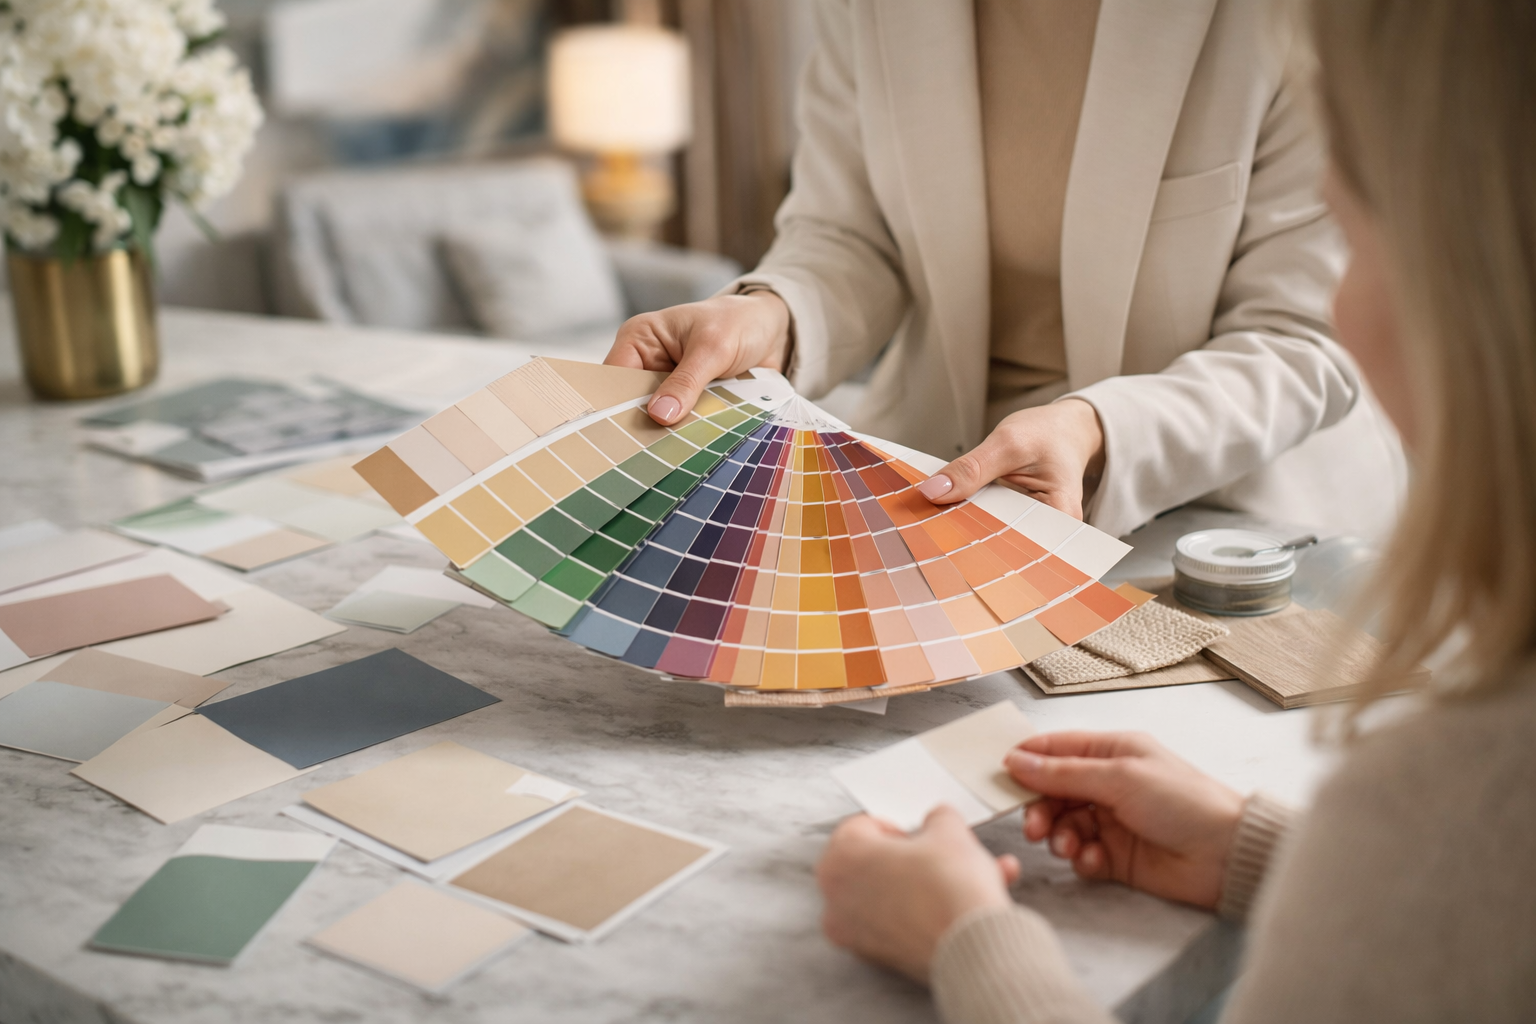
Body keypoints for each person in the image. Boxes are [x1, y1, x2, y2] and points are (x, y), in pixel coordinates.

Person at [814, 0, 1536, 1020]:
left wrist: (968, 939)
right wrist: (1259, 848)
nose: (1346, 303)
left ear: (1476, 291)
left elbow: (1446, 885)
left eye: (1360, 235)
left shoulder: (1427, 796)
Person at [605, 0, 1406, 541]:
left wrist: (1094, 429)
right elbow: (850, 234)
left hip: (1216, 506)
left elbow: (1303, 338)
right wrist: (768, 316)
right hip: (937, 473)